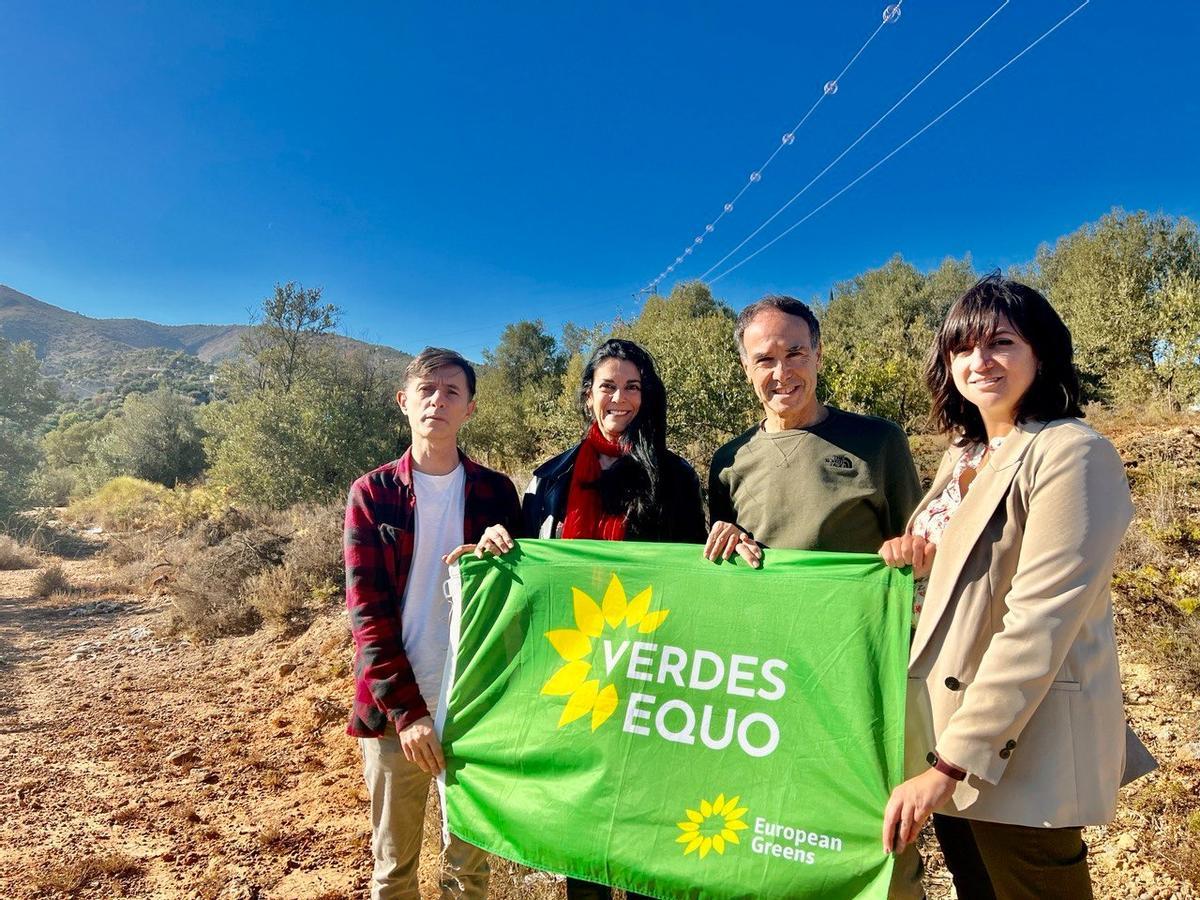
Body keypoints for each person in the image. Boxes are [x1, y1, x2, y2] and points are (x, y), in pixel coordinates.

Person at [877, 275, 1143, 898]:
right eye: (963, 348)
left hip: (1018, 748)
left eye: (1001, 343)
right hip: (947, 733)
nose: (980, 362)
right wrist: (916, 558)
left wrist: (950, 763)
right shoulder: (965, 454)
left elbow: (1041, 620)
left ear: (1041, 354)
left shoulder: (1071, 452)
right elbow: (970, 576)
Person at [452, 337, 705, 900]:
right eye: (608, 386)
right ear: (588, 394)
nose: (621, 398)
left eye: (633, 387)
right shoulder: (549, 479)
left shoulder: (675, 477)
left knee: (644, 825)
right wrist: (497, 541)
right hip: (573, 672)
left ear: (648, 396)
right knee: (583, 825)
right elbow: (528, 571)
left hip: (650, 673)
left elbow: (695, 579)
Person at [344, 347, 522, 900]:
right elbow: (367, 615)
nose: (437, 401)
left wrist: (507, 553)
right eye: (426, 390)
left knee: (469, 875)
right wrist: (408, 713)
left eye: (452, 392)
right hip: (398, 711)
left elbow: (519, 604)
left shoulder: (497, 494)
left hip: (474, 709)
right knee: (394, 871)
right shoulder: (372, 495)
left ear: (470, 408)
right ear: (404, 402)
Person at [705, 294, 922, 566]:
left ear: (818, 356)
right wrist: (731, 541)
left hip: (856, 608)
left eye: (795, 354)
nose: (782, 373)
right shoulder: (728, 462)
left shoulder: (880, 441)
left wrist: (910, 550)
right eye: (765, 360)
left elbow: (918, 549)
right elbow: (725, 566)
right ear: (746, 368)